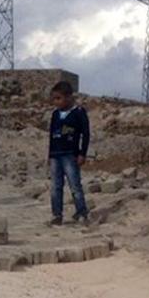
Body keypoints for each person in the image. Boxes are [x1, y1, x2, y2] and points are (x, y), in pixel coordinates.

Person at [46, 80, 90, 227]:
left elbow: (86, 134)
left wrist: (82, 153)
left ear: (69, 97)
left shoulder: (78, 113)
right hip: (56, 155)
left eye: (58, 98)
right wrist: (50, 156)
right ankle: (57, 215)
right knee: (56, 186)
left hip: (70, 155)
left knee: (75, 185)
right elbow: (51, 135)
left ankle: (82, 212)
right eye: (54, 99)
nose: (56, 102)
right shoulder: (55, 115)